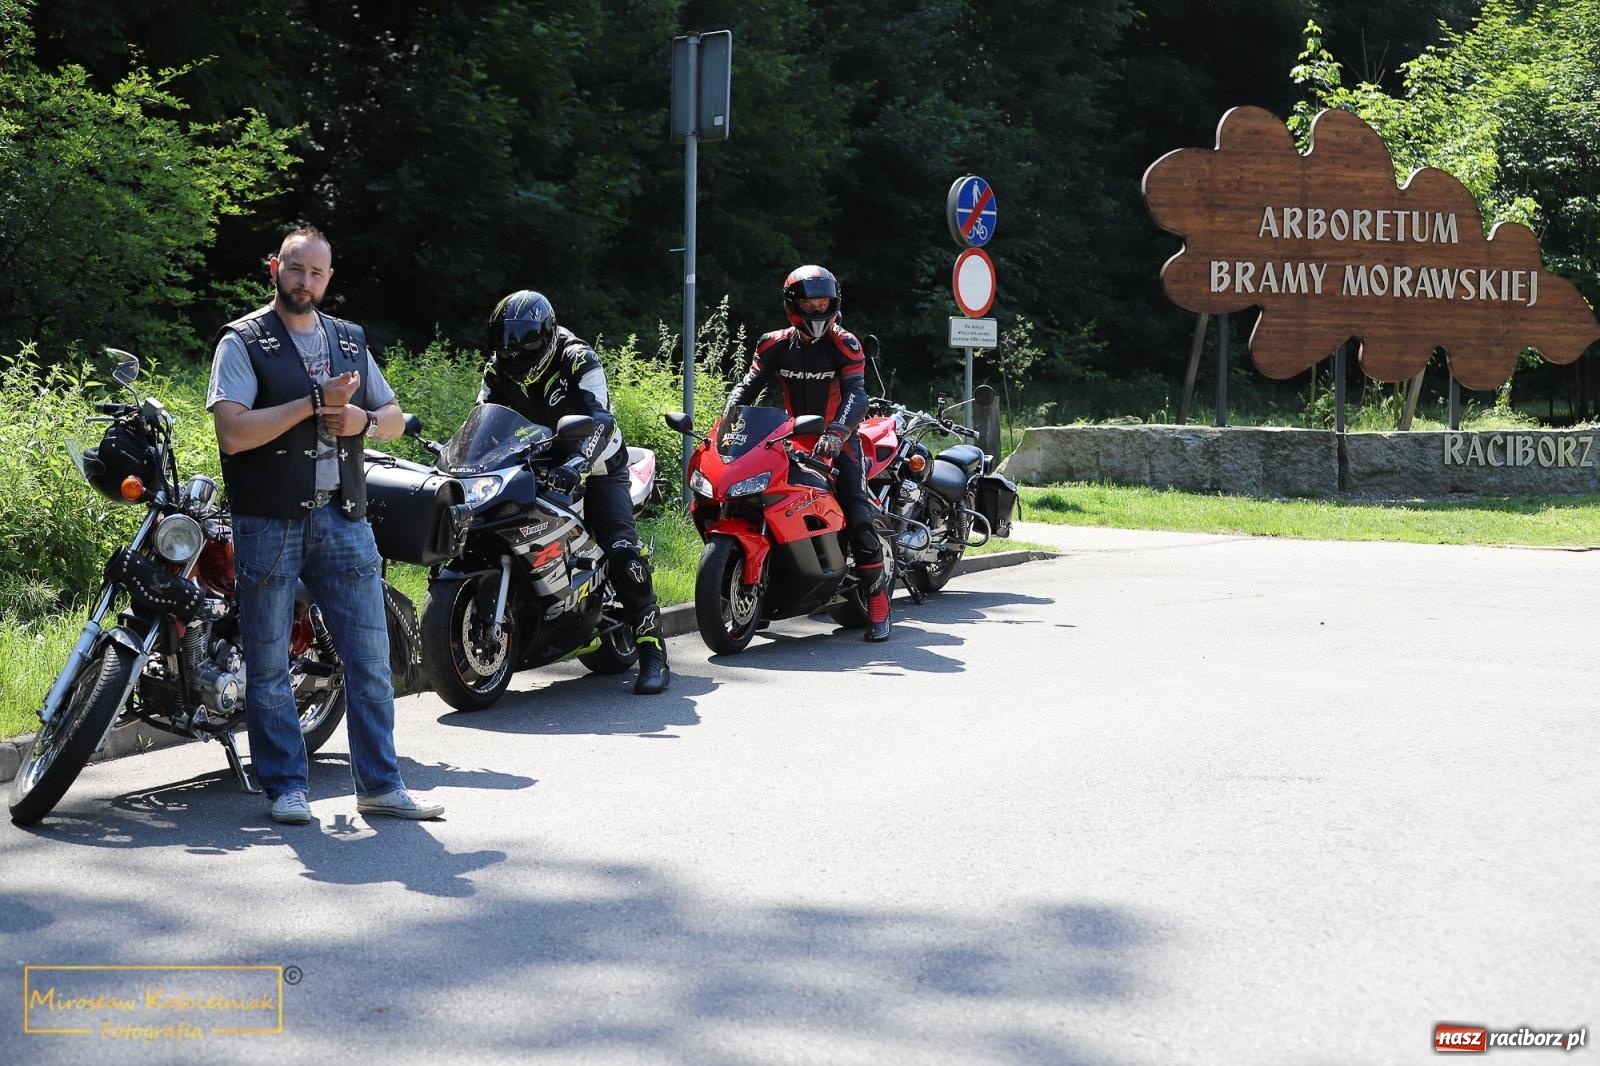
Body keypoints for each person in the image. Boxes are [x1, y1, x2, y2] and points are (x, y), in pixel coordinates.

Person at [207, 226, 443, 825]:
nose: (304, 281)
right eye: (294, 268)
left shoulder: (347, 340)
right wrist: (311, 406)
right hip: (268, 522)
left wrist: (360, 420)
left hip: (344, 519)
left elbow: (392, 419)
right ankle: (286, 786)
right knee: (267, 662)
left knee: (369, 657)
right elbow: (233, 433)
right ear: (274, 269)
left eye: (315, 272)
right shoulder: (243, 341)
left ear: (329, 278)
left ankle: (381, 786)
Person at [478, 290, 670, 695]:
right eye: (506, 342)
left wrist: (577, 464)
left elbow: (600, 418)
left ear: (546, 336)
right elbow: (481, 420)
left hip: (597, 463)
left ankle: (653, 651)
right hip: (533, 462)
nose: (514, 352)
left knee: (620, 550)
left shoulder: (577, 357)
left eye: (525, 341)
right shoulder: (497, 368)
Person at [723, 264, 890, 642]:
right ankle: (764, 587)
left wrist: (836, 432)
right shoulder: (773, 344)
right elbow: (746, 388)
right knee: (758, 502)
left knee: (857, 512)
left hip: (839, 440)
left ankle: (879, 604)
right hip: (788, 437)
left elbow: (856, 394)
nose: (818, 310)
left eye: (824, 303)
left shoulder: (845, 344)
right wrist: (727, 422)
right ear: (792, 304)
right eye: (810, 303)